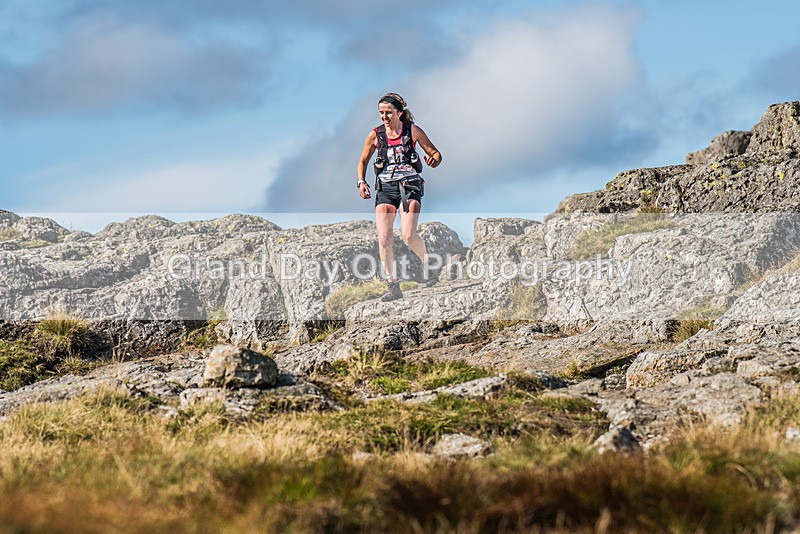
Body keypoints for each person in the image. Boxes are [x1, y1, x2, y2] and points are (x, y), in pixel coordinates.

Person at [357, 93, 443, 301]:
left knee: (407, 235)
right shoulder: (375, 136)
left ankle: (429, 265)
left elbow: (436, 153)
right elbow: (362, 162)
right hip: (385, 188)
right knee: (384, 239)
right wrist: (361, 182)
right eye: (381, 113)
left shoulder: (412, 131)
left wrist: (434, 160)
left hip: (409, 186)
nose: (384, 117)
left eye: (388, 113)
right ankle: (393, 285)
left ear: (399, 113)